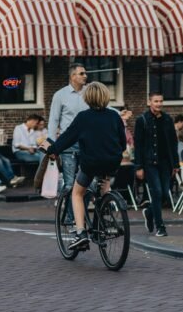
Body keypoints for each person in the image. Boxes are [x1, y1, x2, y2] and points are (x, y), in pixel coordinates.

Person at [45, 81, 126, 252]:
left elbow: (67, 137)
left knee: (77, 193)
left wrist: (53, 149)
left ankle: (81, 234)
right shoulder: (115, 116)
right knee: (104, 186)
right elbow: (123, 143)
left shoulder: (83, 117)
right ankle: (106, 218)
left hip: (91, 163)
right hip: (112, 162)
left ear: (87, 98)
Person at [134, 93, 178, 238]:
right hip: (149, 163)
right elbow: (138, 145)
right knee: (157, 193)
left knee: (165, 193)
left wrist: (175, 164)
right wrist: (138, 166)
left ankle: (149, 212)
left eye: (161, 101)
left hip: (165, 163)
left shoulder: (167, 120)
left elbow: (173, 143)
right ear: (149, 102)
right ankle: (161, 227)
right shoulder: (142, 120)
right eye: (156, 101)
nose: (159, 104)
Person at [47, 63, 89, 194]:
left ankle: (82, 212)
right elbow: (53, 120)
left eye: (85, 73)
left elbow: (103, 107)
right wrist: (51, 144)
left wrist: (117, 113)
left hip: (87, 143)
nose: (85, 76)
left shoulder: (89, 93)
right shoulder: (60, 95)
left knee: (90, 184)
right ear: (73, 76)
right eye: (82, 73)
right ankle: (71, 214)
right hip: (68, 143)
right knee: (69, 185)